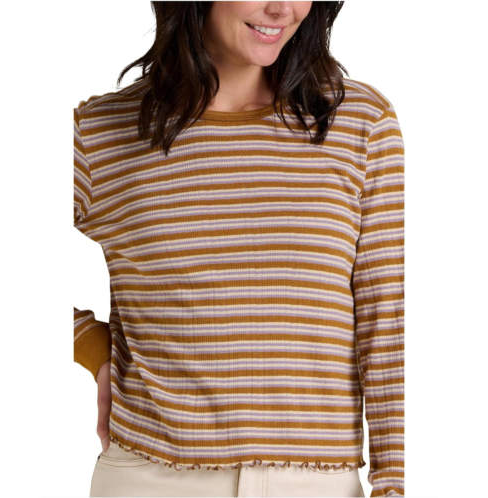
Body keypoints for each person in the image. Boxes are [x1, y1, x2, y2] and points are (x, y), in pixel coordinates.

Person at [73, 2, 404, 497]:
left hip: (317, 485)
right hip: (151, 475)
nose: (282, 8)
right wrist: (88, 344)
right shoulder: (101, 132)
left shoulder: (358, 123)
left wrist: (393, 484)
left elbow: (389, 321)